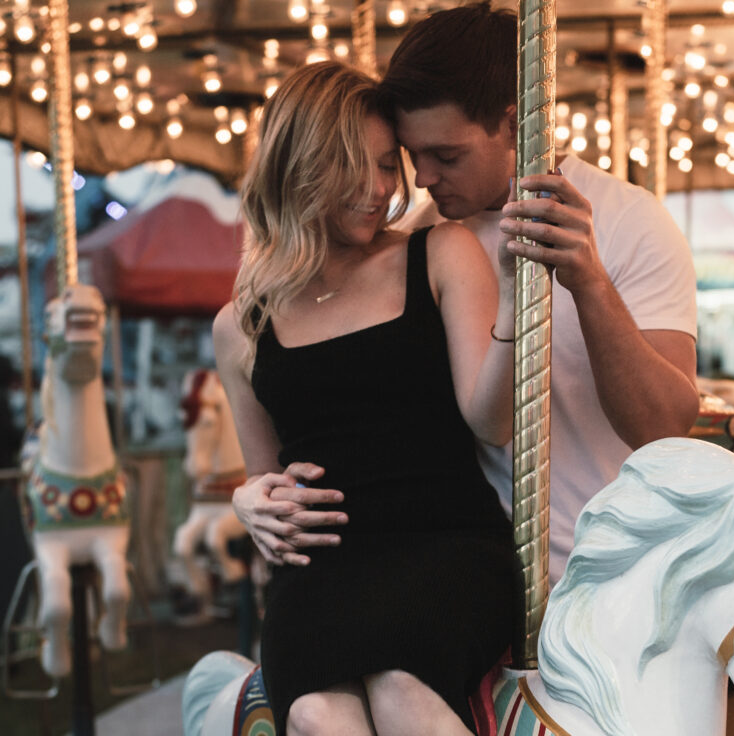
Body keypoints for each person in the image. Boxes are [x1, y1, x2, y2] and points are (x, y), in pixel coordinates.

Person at [239, 1, 702, 584]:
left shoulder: (628, 220)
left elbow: (664, 428)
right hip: (460, 569)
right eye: (411, 157)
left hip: (613, 569)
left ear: (514, 125)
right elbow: (333, 409)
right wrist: (252, 493)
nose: (423, 178)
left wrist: (589, 282)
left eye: (446, 155)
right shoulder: (412, 248)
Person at [213, 60, 522, 735]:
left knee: (403, 694)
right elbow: (267, 486)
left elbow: (493, 422)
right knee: (322, 718)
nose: (380, 189)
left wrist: (514, 302)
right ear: (300, 166)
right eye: (354, 168)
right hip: (319, 573)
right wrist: (248, 500)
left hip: (446, 546)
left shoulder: (442, 252)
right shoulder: (240, 325)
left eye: (389, 165)